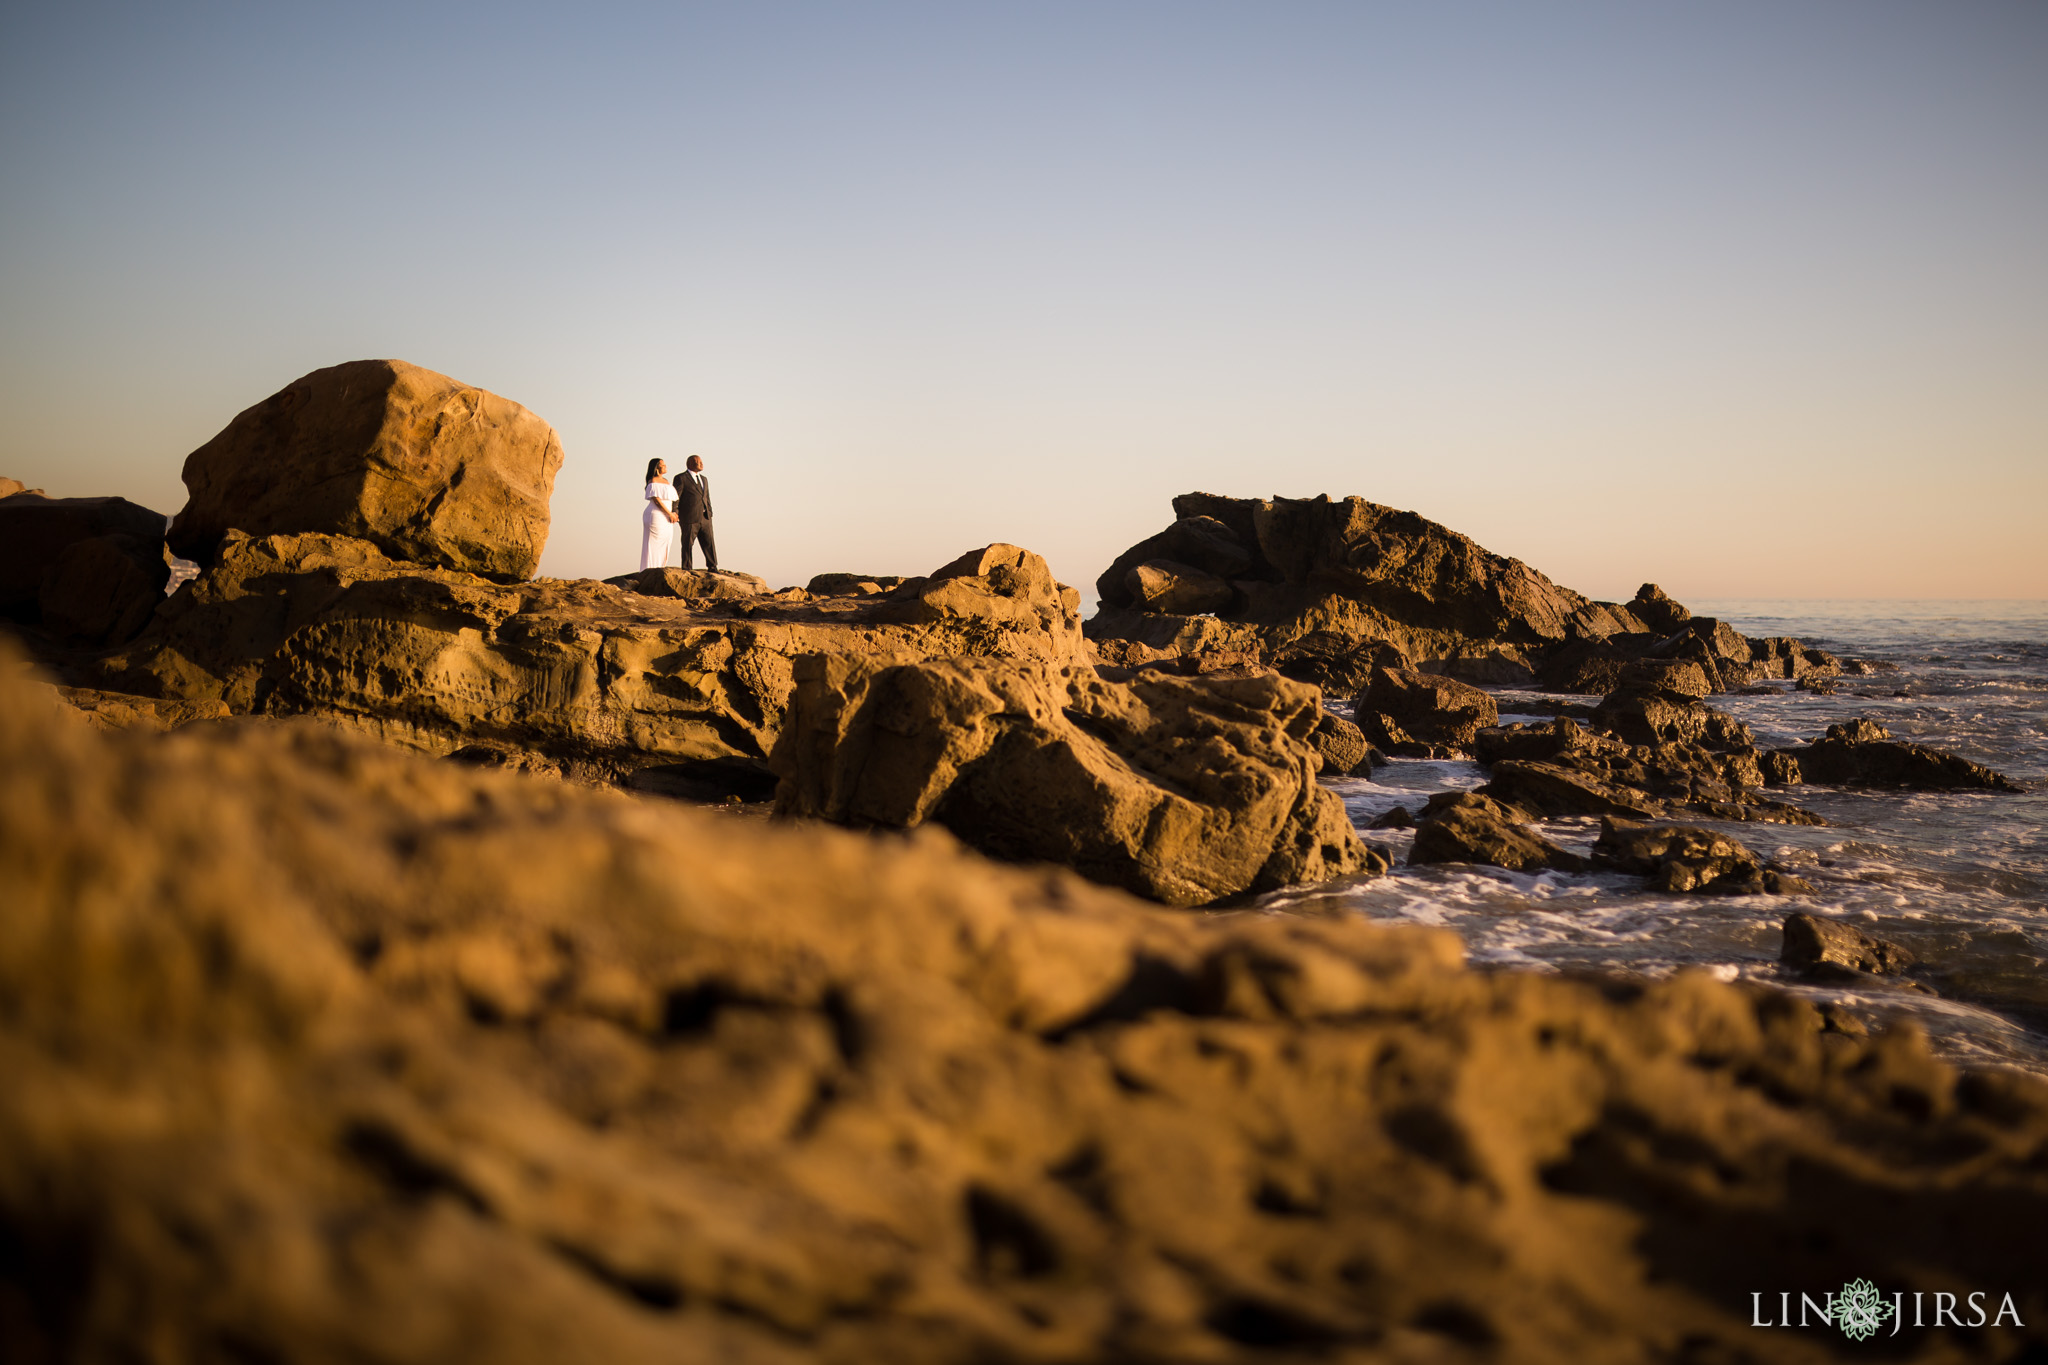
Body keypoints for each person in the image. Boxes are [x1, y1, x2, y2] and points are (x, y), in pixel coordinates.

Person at [672, 454, 717, 571]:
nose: (701, 463)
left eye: (701, 461)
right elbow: (676, 497)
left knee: (709, 543)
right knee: (687, 544)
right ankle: (687, 568)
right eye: (698, 461)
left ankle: (712, 566)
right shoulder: (681, 478)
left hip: (705, 517)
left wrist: (710, 512)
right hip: (689, 517)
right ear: (690, 464)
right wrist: (675, 512)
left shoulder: (704, 479)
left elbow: (707, 497)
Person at [640, 457, 678, 570]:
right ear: (657, 467)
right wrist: (669, 514)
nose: (665, 466)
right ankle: (649, 569)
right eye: (663, 464)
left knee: (666, 540)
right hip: (656, 515)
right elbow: (657, 500)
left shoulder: (667, 482)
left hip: (667, 516)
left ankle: (660, 567)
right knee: (653, 544)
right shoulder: (653, 481)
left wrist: (673, 514)